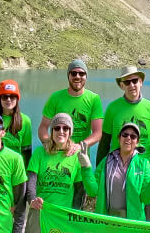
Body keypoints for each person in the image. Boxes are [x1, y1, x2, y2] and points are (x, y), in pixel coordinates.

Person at [38, 59, 103, 206]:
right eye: (73, 73)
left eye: (81, 73)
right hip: (56, 159)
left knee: (77, 205)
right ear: (68, 76)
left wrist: (80, 146)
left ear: (86, 76)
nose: (77, 77)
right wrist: (50, 144)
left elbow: (98, 132)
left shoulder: (93, 99)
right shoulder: (56, 98)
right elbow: (43, 127)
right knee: (54, 203)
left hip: (79, 161)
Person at [98, 66, 150, 164]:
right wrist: (99, 173)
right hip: (116, 168)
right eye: (127, 82)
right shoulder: (112, 108)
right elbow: (104, 145)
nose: (131, 85)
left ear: (141, 82)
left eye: (135, 81)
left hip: (143, 170)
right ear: (122, 85)